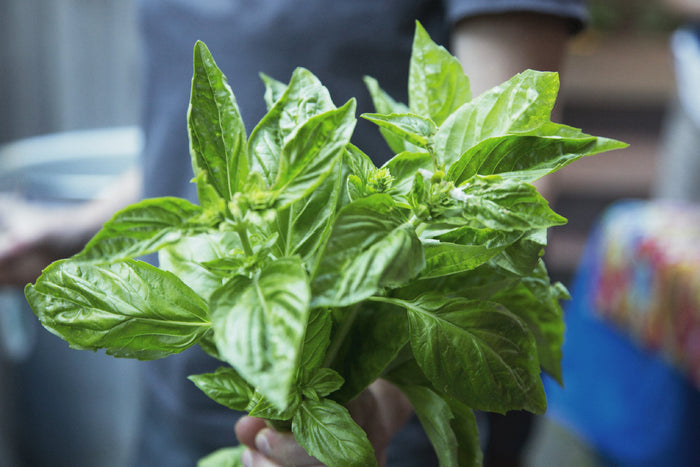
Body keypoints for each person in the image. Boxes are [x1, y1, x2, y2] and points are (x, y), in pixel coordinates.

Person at [0, 1, 587, 466]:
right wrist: (73, 228)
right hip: (181, 405)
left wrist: (370, 405)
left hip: (359, 409)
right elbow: (187, 153)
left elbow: (503, 173)